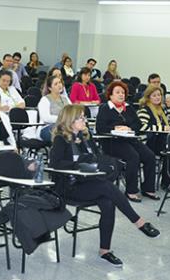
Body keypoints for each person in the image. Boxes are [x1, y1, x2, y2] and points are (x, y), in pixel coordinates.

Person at [49, 105, 160, 267]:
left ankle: (104, 250)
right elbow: (55, 164)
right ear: (70, 120)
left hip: (89, 182)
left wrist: (92, 160)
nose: (84, 120)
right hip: (69, 187)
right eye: (81, 117)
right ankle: (138, 222)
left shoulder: (86, 137)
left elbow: (96, 157)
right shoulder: (61, 139)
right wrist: (79, 163)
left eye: (84, 117)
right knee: (106, 188)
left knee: (108, 203)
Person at [96, 81, 158, 202]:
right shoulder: (105, 108)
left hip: (130, 139)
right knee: (133, 156)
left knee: (150, 156)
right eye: (117, 92)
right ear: (111, 95)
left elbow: (138, 125)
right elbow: (100, 128)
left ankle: (148, 188)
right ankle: (131, 190)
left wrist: (129, 128)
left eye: (123, 93)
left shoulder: (128, 107)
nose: (121, 95)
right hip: (112, 142)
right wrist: (115, 128)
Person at [137, 84, 170, 188]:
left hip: (159, 142)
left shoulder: (161, 110)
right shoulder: (144, 110)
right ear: (148, 97)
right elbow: (142, 127)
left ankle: (168, 182)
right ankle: (168, 182)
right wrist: (162, 129)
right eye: (154, 95)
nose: (157, 97)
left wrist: (169, 107)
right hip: (147, 142)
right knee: (169, 149)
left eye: (159, 95)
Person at [38, 75, 70, 142]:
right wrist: (63, 119)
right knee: (62, 133)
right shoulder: (45, 99)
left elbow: (72, 112)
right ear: (50, 88)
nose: (59, 85)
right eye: (56, 84)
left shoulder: (65, 98)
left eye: (60, 82)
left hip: (65, 126)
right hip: (47, 127)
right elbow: (46, 118)